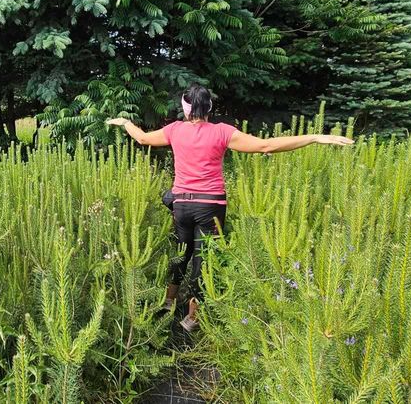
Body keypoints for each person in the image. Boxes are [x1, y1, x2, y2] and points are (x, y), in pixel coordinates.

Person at [106, 84, 353, 331]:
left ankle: (169, 301)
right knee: (203, 260)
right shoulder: (222, 132)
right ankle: (192, 318)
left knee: (181, 252)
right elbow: (266, 146)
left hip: (182, 204)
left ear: (185, 109)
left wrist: (125, 122)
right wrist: (314, 137)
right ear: (209, 107)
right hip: (210, 206)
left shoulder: (175, 130)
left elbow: (142, 138)